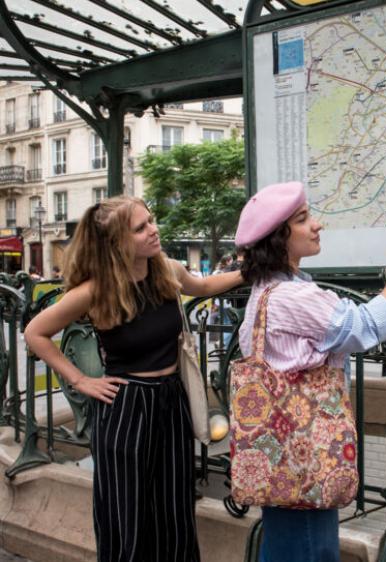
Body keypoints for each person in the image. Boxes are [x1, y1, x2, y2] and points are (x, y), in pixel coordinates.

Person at [24, 196, 243, 562]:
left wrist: (250, 271)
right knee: (128, 514)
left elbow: (203, 288)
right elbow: (35, 333)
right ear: (116, 243)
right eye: (140, 228)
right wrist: (81, 380)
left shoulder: (167, 270)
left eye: (151, 221)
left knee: (175, 509)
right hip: (126, 405)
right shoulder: (96, 290)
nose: (153, 230)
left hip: (172, 401)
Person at [233, 181, 386, 562]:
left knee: (290, 545)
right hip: (305, 457)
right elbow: (367, 325)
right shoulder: (293, 297)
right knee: (308, 549)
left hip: (281, 456)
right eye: (303, 219)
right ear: (278, 238)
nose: (316, 225)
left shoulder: (265, 293)